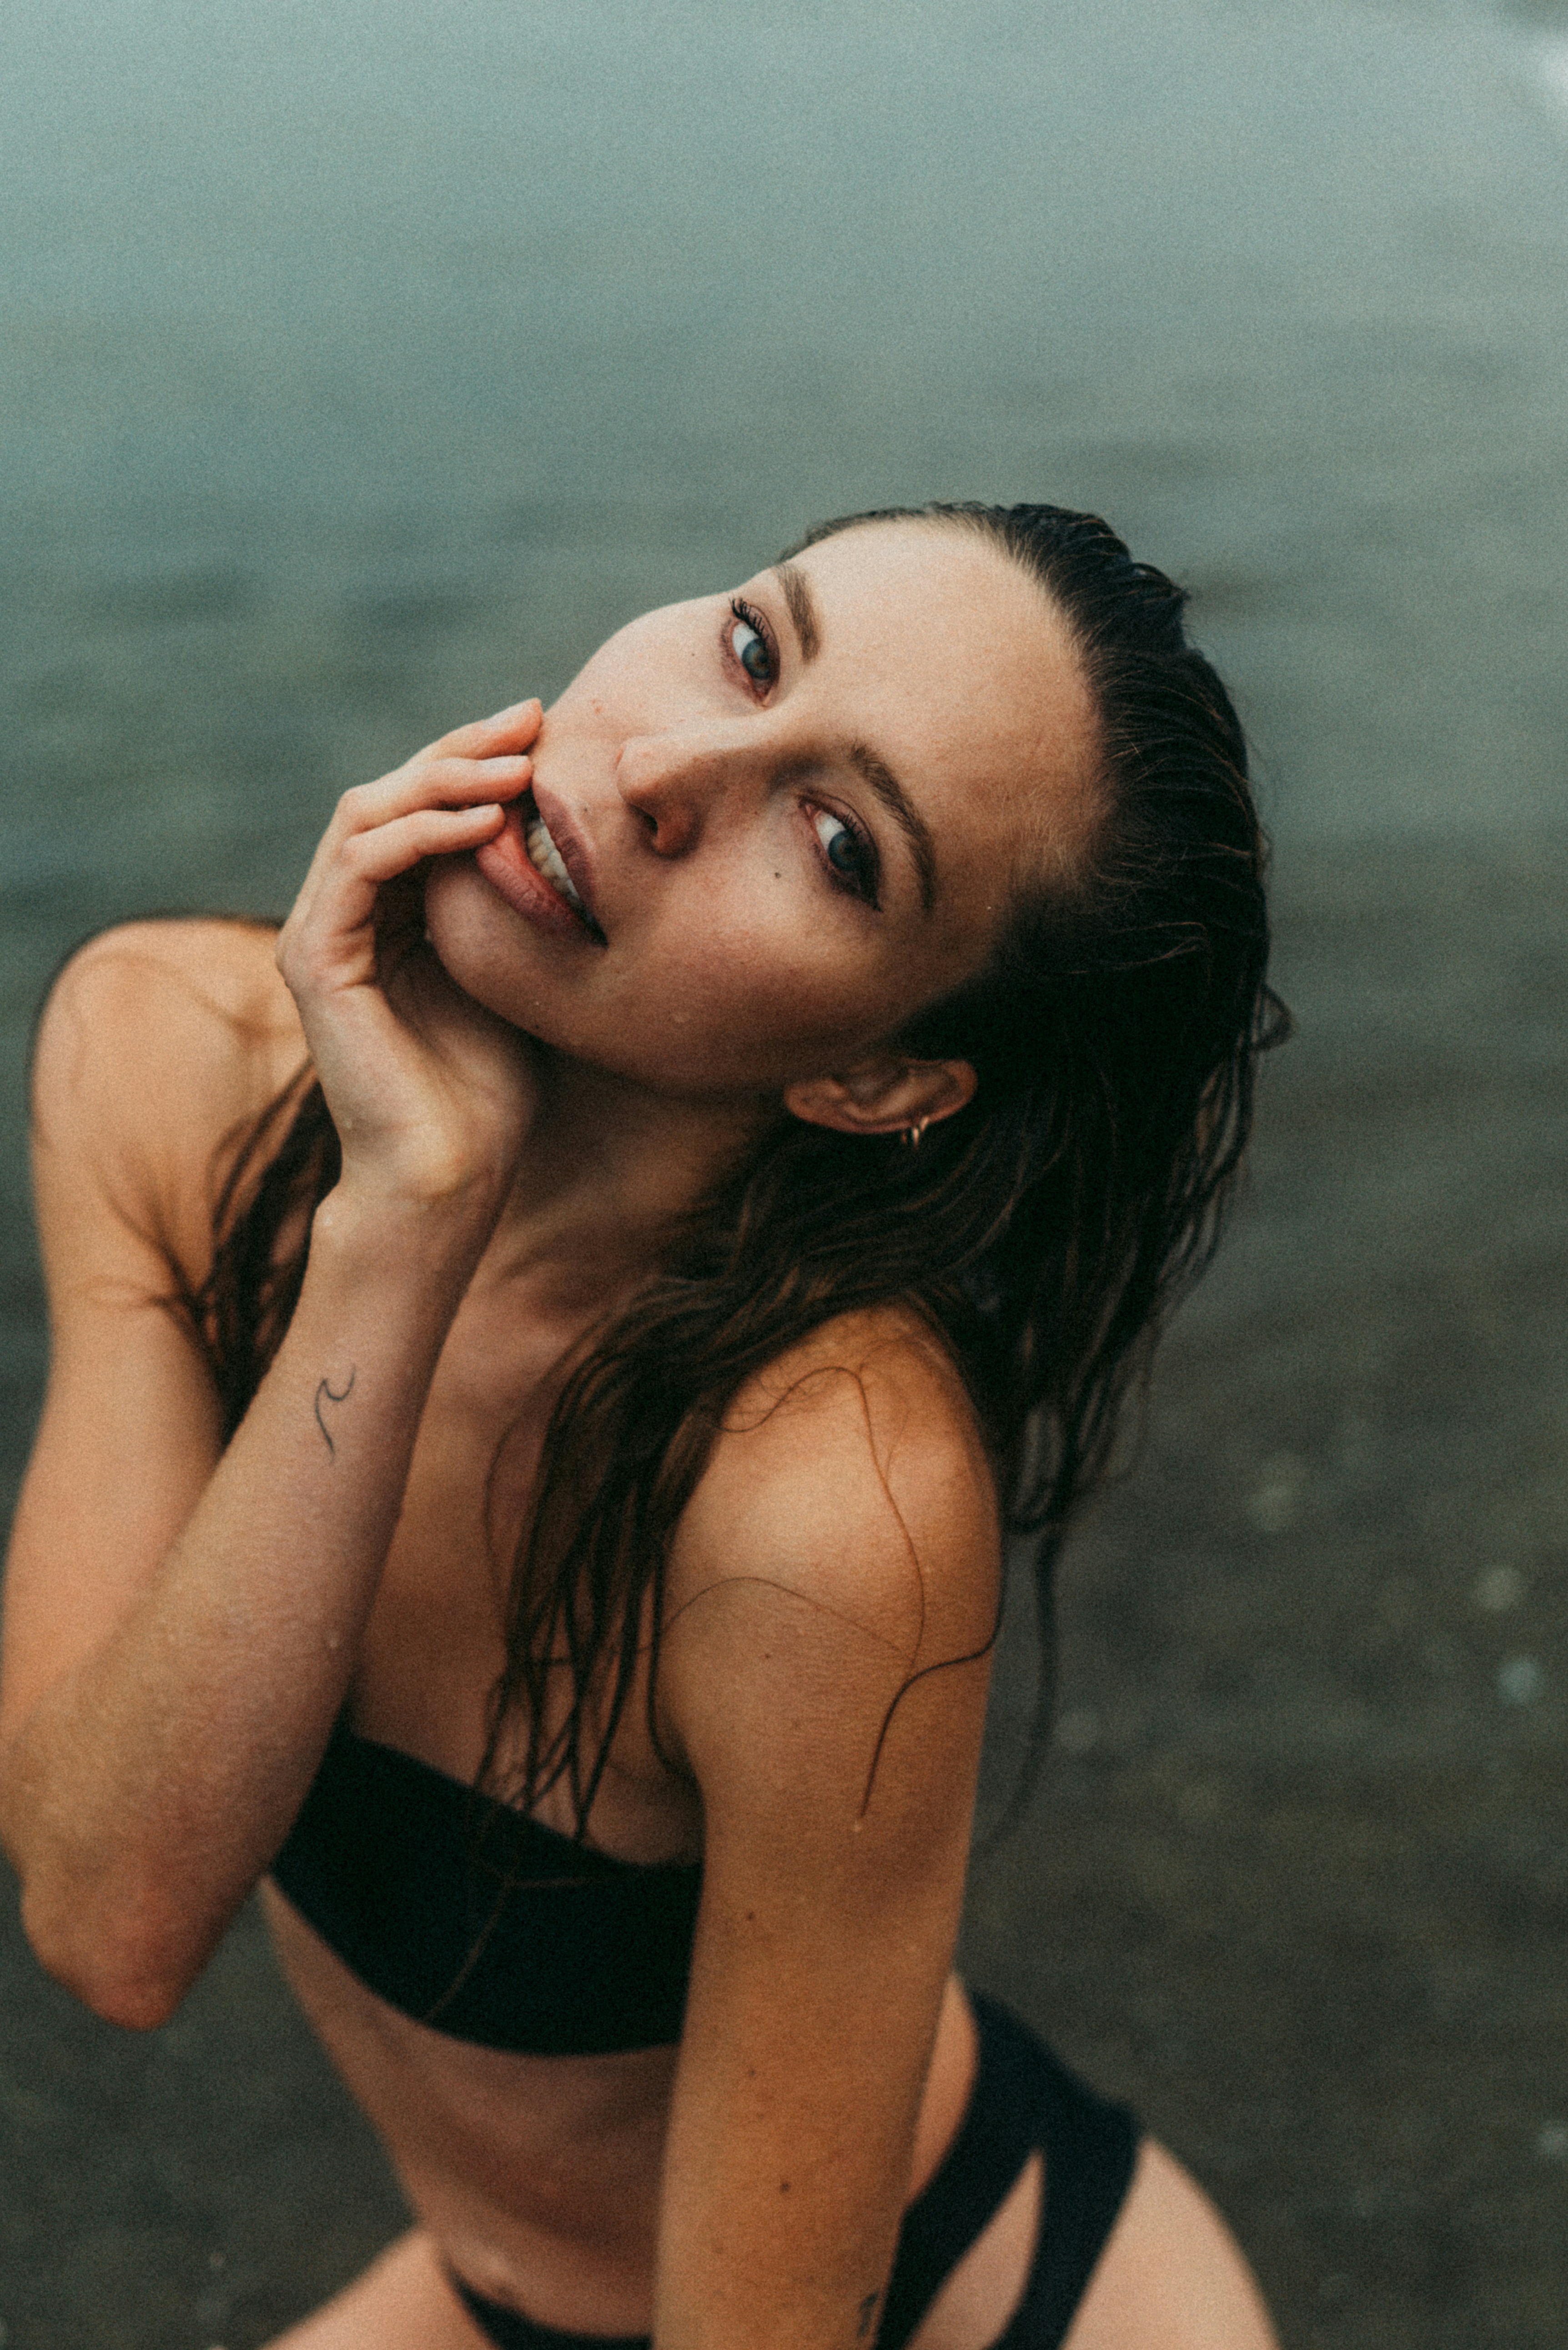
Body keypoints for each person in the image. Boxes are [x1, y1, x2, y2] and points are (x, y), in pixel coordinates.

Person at [0, 502, 1284, 2350]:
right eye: (754, 646)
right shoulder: (161, 1065)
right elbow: (106, 1910)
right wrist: (397, 1228)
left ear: (873, 1074)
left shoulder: (824, 1490)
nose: (669, 764)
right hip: (495, 2291)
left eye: (838, 842)